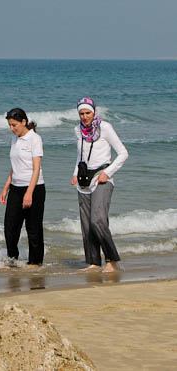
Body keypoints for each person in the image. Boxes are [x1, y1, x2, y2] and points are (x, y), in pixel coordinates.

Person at [71, 97, 128, 273]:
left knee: (98, 220)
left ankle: (112, 260)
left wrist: (107, 173)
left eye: (88, 113)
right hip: (83, 180)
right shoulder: (77, 130)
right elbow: (81, 156)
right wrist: (75, 173)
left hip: (102, 178)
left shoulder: (105, 127)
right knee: (86, 224)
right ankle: (94, 262)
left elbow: (123, 154)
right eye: (81, 113)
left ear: (94, 112)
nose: (85, 116)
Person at [0, 108, 46, 269]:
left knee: (33, 227)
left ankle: (35, 262)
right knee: (10, 227)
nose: (12, 129)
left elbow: (36, 168)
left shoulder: (35, 139)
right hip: (15, 188)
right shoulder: (14, 139)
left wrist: (29, 192)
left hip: (34, 188)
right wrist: (6, 187)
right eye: (10, 126)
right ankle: (12, 259)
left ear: (23, 122)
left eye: (14, 125)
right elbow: (15, 166)